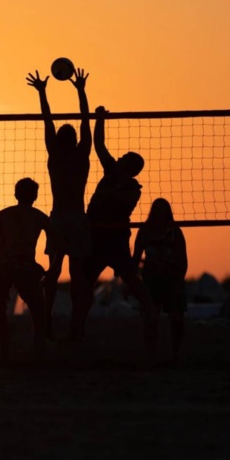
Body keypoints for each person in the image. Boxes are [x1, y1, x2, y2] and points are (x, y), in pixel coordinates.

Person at [72, 106, 156, 353]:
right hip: (96, 237)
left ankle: (151, 312)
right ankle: (77, 331)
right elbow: (99, 144)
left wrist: (110, 191)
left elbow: (117, 197)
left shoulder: (132, 189)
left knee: (131, 280)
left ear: (128, 167)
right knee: (85, 285)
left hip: (115, 240)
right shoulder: (112, 172)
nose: (117, 159)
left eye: (122, 159)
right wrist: (100, 119)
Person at [26, 67, 91, 341]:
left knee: (53, 273)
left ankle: (47, 321)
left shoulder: (56, 156)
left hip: (60, 219)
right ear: (75, 140)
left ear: (58, 142)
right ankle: (75, 325)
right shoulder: (81, 155)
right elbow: (85, 121)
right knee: (77, 277)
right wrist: (80, 91)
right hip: (76, 219)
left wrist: (43, 92)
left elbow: (47, 121)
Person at [0, 178, 50, 362]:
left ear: (16, 195)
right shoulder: (39, 216)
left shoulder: (3, 215)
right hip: (24, 266)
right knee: (38, 313)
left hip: (5, 265)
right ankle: (37, 355)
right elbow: (58, 242)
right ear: (35, 196)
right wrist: (52, 268)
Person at [133, 198, 187, 364]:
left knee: (176, 320)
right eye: (157, 211)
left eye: (163, 212)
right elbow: (135, 260)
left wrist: (178, 281)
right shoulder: (144, 231)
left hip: (172, 280)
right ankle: (151, 357)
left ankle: (174, 355)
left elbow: (183, 262)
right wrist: (133, 284)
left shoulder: (175, 232)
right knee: (151, 319)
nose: (160, 215)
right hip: (151, 281)